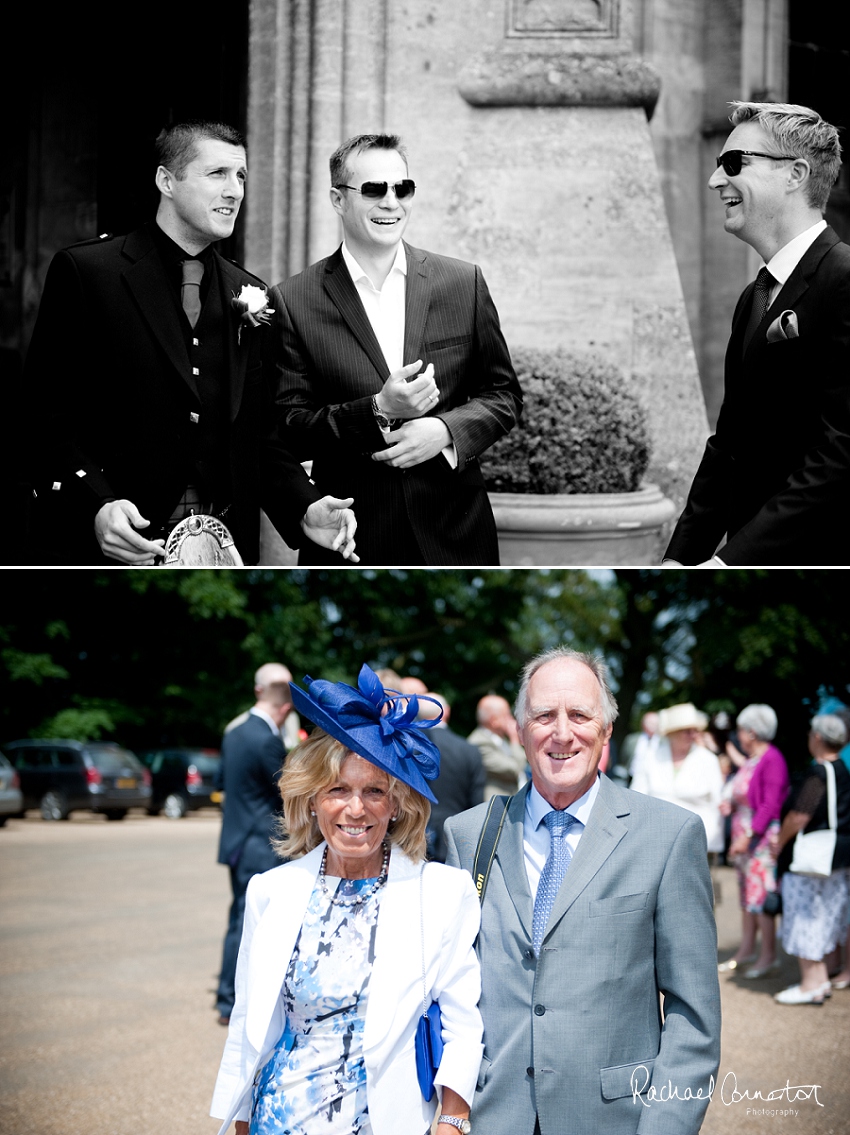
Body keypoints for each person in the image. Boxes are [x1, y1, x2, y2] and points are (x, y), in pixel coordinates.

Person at [23, 120, 357, 566]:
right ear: (167, 181)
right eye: (217, 174)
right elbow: (45, 417)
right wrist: (97, 504)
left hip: (223, 555)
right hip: (117, 550)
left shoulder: (251, 293)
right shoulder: (88, 273)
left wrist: (306, 506)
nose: (234, 191)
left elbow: (259, 437)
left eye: (240, 177)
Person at [444, 647, 721, 1135]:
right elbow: (448, 993)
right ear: (520, 729)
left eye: (579, 715)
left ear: (607, 729)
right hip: (492, 1118)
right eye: (544, 716)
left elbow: (693, 1018)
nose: (562, 733)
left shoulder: (668, 835)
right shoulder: (467, 836)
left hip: (615, 1120)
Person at [211, 664, 483, 1135]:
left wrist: (453, 1122)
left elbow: (463, 1023)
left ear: (396, 804)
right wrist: (240, 1123)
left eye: (374, 791)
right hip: (278, 1120)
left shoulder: (440, 893)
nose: (355, 808)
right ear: (313, 799)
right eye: (337, 789)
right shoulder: (270, 892)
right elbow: (248, 1024)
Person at [269, 132, 523, 565]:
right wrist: (378, 411)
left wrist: (444, 433)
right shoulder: (292, 301)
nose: (391, 202)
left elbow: (504, 396)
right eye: (373, 189)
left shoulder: (464, 283)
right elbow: (289, 427)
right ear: (337, 199)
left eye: (401, 188)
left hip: (457, 534)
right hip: (354, 539)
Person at [664, 101, 849, 565]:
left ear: (795, 174)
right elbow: (728, 446)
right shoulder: (754, 296)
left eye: (734, 163)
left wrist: (731, 561)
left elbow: (840, 451)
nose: (714, 181)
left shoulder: (844, 278)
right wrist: (680, 560)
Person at [215, 664, 293, 1025]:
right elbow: (285, 792)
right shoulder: (267, 739)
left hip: (235, 839)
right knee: (255, 922)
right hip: (259, 843)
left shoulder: (234, 732)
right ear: (285, 708)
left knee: (238, 919)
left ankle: (228, 997)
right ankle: (233, 1000)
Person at [772, 714, 850, 1005]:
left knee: (804, 917)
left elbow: (800, 815)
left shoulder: (819, 772)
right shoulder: (842, 769)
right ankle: (819, 981)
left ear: (817, 737)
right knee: (824, 917)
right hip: (837, 857)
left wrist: (778, 843)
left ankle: (810, 983)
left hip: (812, 858)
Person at [717, 704, 789, 978]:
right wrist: (732, 807)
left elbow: (770, 805)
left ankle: (768, 955)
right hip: (744, 837)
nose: (738, 735)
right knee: (747, 897)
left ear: (752, 732)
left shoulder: (772, 759)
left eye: (740, 730)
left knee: (761, 897)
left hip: (759, 839)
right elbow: (746, 796)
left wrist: (748, 836)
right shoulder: (753, 759)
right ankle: (747, 950)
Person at [419, 693, 486, 862]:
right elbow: (477, 803)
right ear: (446, 712)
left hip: (412, 837)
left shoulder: (407, 747)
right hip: (456, 839)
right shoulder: (469, 750)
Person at [467, 694, 527, 800]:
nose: (512, 719)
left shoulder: (500, 740)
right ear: (494, 720)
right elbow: (514, 769)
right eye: (507, 715)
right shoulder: (478, 743)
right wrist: (514, 739)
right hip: (495, 808)